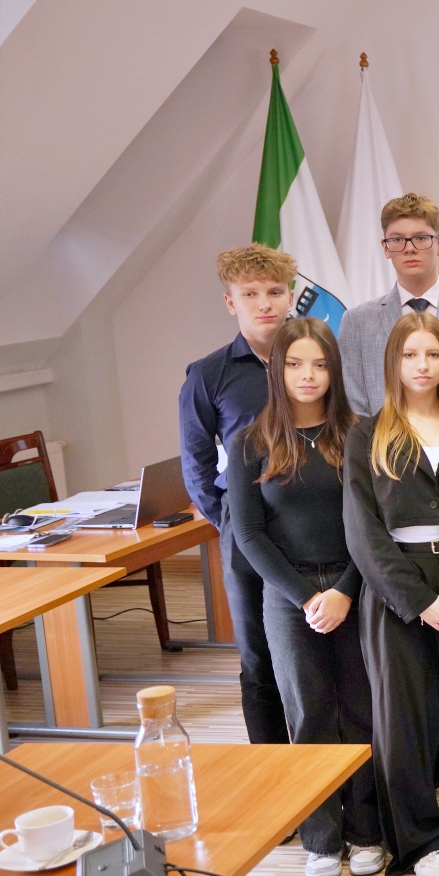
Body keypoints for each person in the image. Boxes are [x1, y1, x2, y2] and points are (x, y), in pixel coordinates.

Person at [343, 311, 439, 876]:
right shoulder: (368, 433)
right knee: (403, 716)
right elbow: (363, 533)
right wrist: (418, 601)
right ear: (394, 363)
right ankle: (417, 837)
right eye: (410, 355)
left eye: (432, 355)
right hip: (397, 589)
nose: (422, 365)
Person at [226, 317, 380, 876]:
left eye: (319, 364)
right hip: (289, 598)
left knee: (361, 711)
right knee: (308, 712)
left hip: (356, 587)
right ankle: (321, 837)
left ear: (334, 370)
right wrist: (307, 598)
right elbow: (248, 534)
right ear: (277, 369)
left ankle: (367, 830)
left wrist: (343, 592)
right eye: (295, 364)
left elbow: (374, 529)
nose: (308, 375)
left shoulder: (358, 434)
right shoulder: (251, 441)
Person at [178, 244, 295, 747]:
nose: (264, 303)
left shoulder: (313, 359)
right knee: (258, 653)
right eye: (250, 294)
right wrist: (229, 517)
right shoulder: (209, 374)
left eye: (274, 291)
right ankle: (270, 772)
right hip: (247, 528)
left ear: (291, 296)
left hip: (315, 524)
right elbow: (197, 463)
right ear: (231, 303)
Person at [339, 193, 439, 417]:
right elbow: (355, 408)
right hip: (380, 448)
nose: (409, 248)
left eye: (421, 238)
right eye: (397, 239)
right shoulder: (357, 322)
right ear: (385, 247)